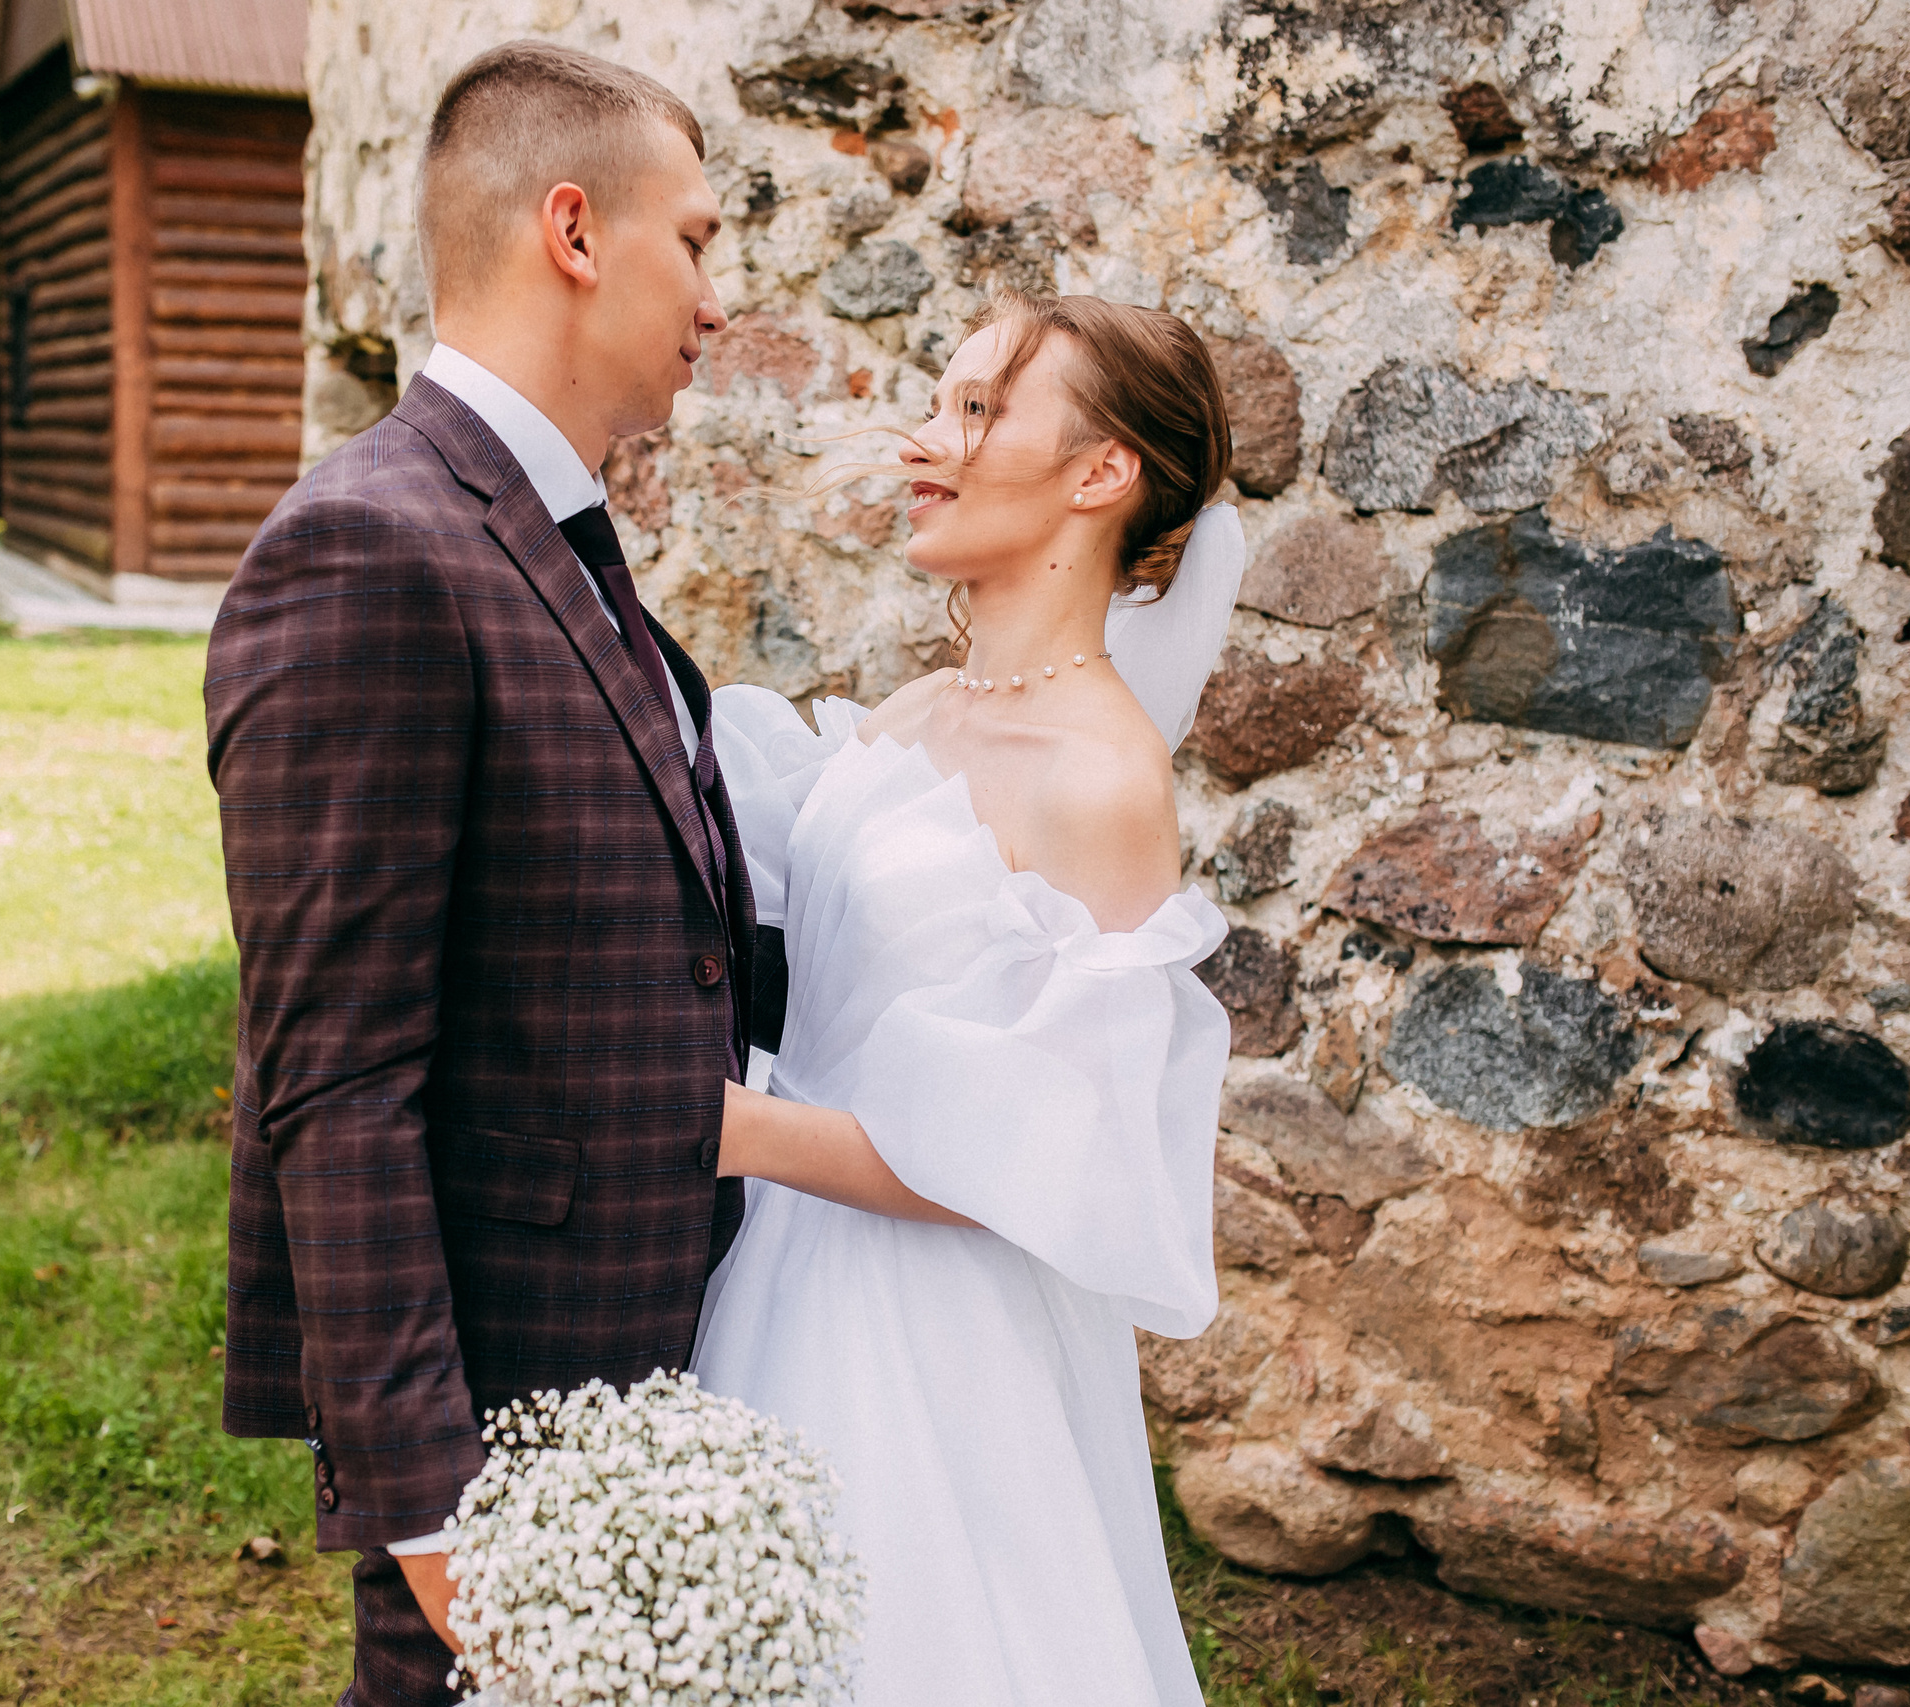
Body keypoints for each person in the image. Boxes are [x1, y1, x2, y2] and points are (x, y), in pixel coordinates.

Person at [202, 41, 757, 1707]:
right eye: (703, 243)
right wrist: (439, 1522)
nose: (719, 302)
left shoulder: (548, 532)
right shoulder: (369, 548)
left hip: (642, 1363)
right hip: (503, 1415)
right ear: (574, 231)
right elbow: (333, 1080)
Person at [689, 288, 1245, 1706]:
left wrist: (706, 1123)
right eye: (938, 405)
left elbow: (1033, 1152)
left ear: (1101, 473)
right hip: (775, 1264)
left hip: (927, 1336)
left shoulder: (1106, 778)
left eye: (978, 410)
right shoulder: (918, 714)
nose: (922, 442)